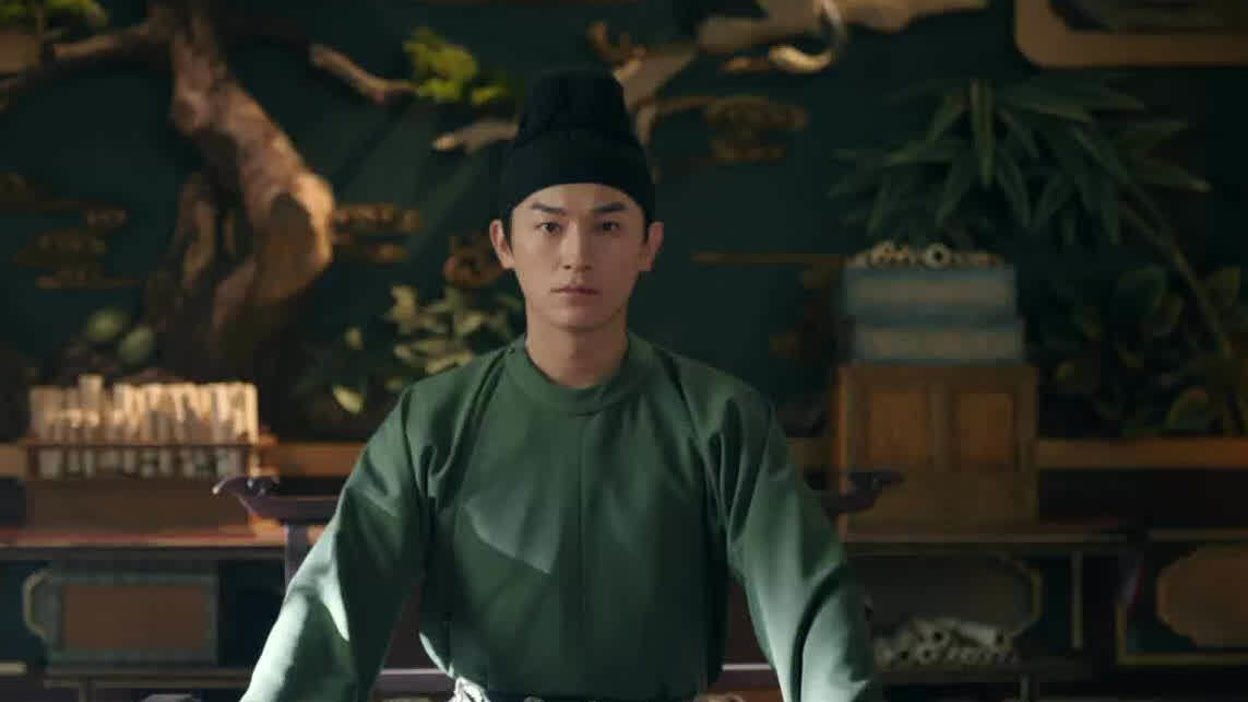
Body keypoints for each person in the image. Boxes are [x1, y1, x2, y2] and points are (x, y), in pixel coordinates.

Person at [240, 66, 881, 702]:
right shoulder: (435, 421)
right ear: (504, 243)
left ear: (649, 245)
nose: (577, 255)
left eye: (608, 226)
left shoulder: (719, 418)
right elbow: (332, 604)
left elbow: (810, 602)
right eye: (549, 226)